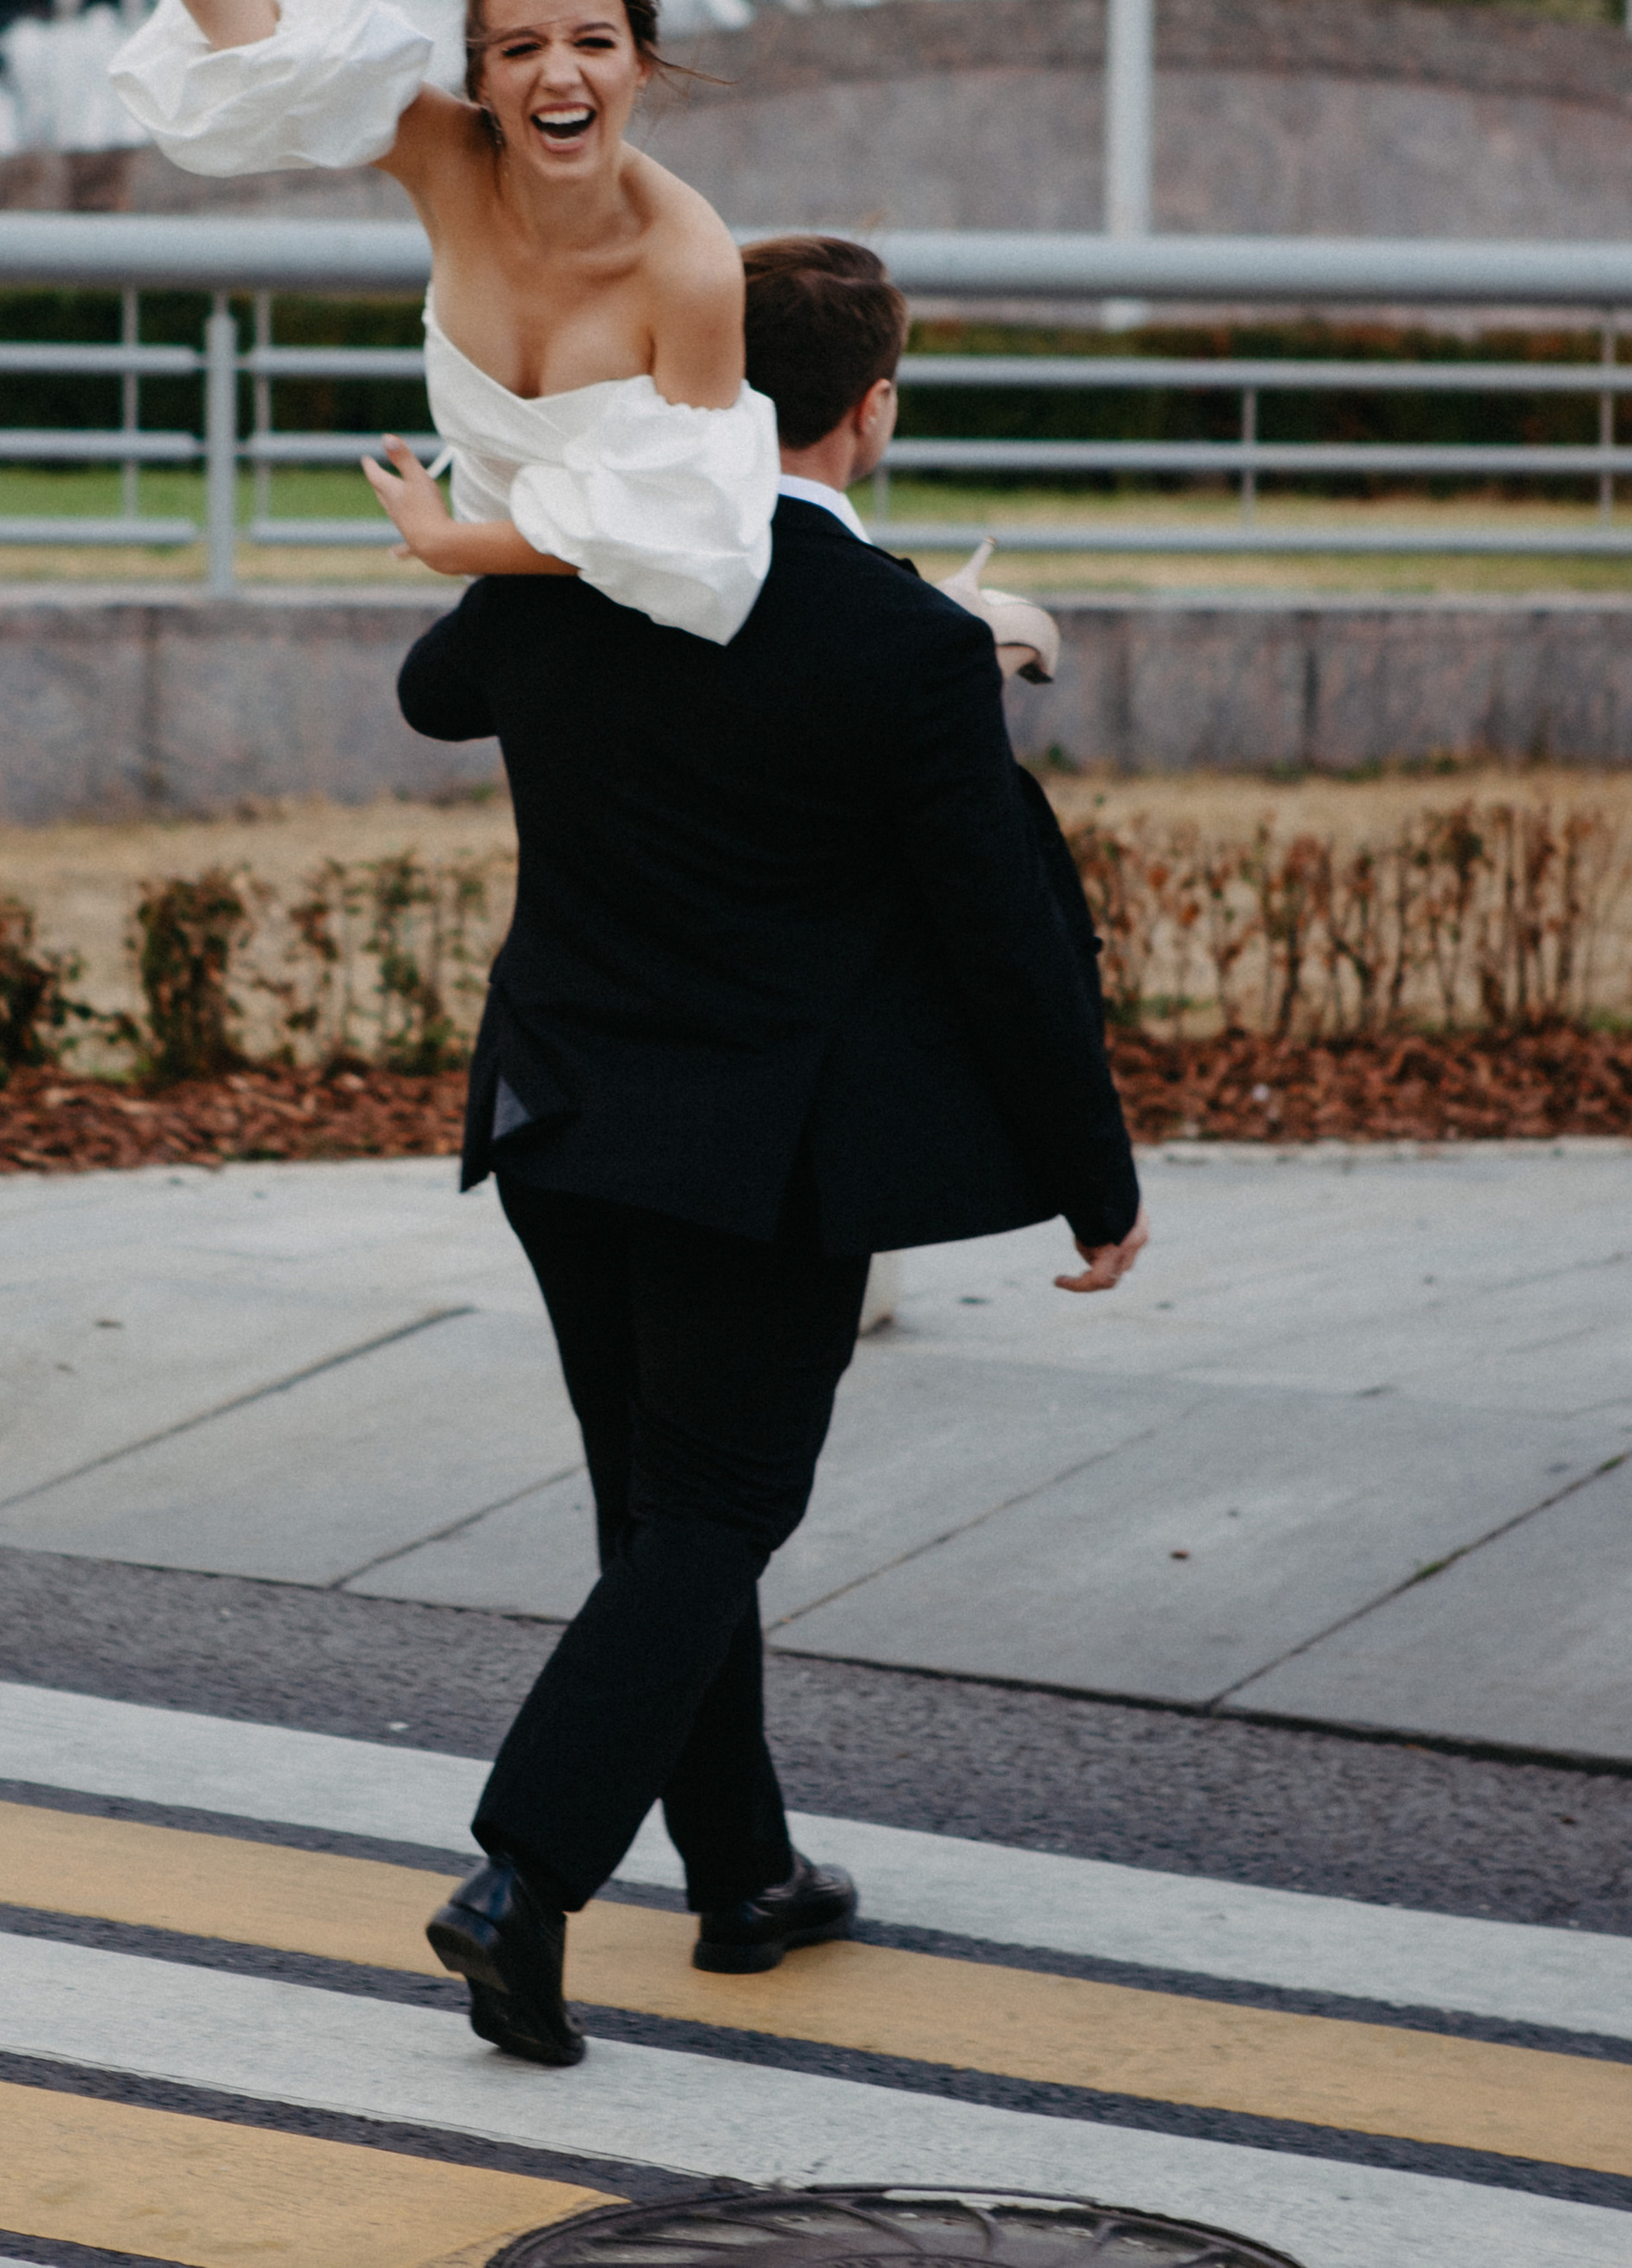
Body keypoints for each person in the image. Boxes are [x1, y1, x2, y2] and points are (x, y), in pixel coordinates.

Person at [398, 231, 1146, 2070]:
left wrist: (548, 505)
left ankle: (742, 1876)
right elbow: (998, 935)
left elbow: (437, 689)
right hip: (758, 1160)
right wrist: (1096, 1177)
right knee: (716, 1514)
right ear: (870, 411)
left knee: (658, 1523)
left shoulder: (573, 568)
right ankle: (523, 1877)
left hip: (561, 1120)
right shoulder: (898, 642)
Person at [38, 0, 777, 644]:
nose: (558, 76)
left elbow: (690, 539)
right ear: (480, 80)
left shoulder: (690, 266)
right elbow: (260, 45)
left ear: (640, 64)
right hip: (517, 627)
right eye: (518, 49)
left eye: (592, 42)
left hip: (668, 643)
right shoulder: (448, 160)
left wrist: (452, 541)